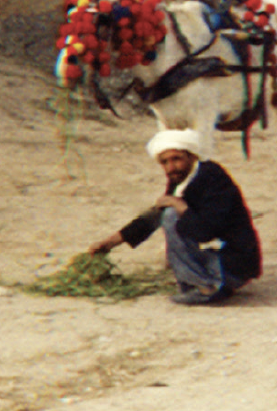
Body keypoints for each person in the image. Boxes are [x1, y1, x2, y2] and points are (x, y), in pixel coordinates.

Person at [90, 127, 262, 305]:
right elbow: (154, 216)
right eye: (164, 162)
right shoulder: (182, 178)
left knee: (173, 215)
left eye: (176, 159)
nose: (171, 167)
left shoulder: (213, 179)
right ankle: (210, 284)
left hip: (235, 265)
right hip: (220, 262)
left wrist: (179, 205)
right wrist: (110, 243)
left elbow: (205, 231)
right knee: (170, 212)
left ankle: (205, 287)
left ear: (192, 156)